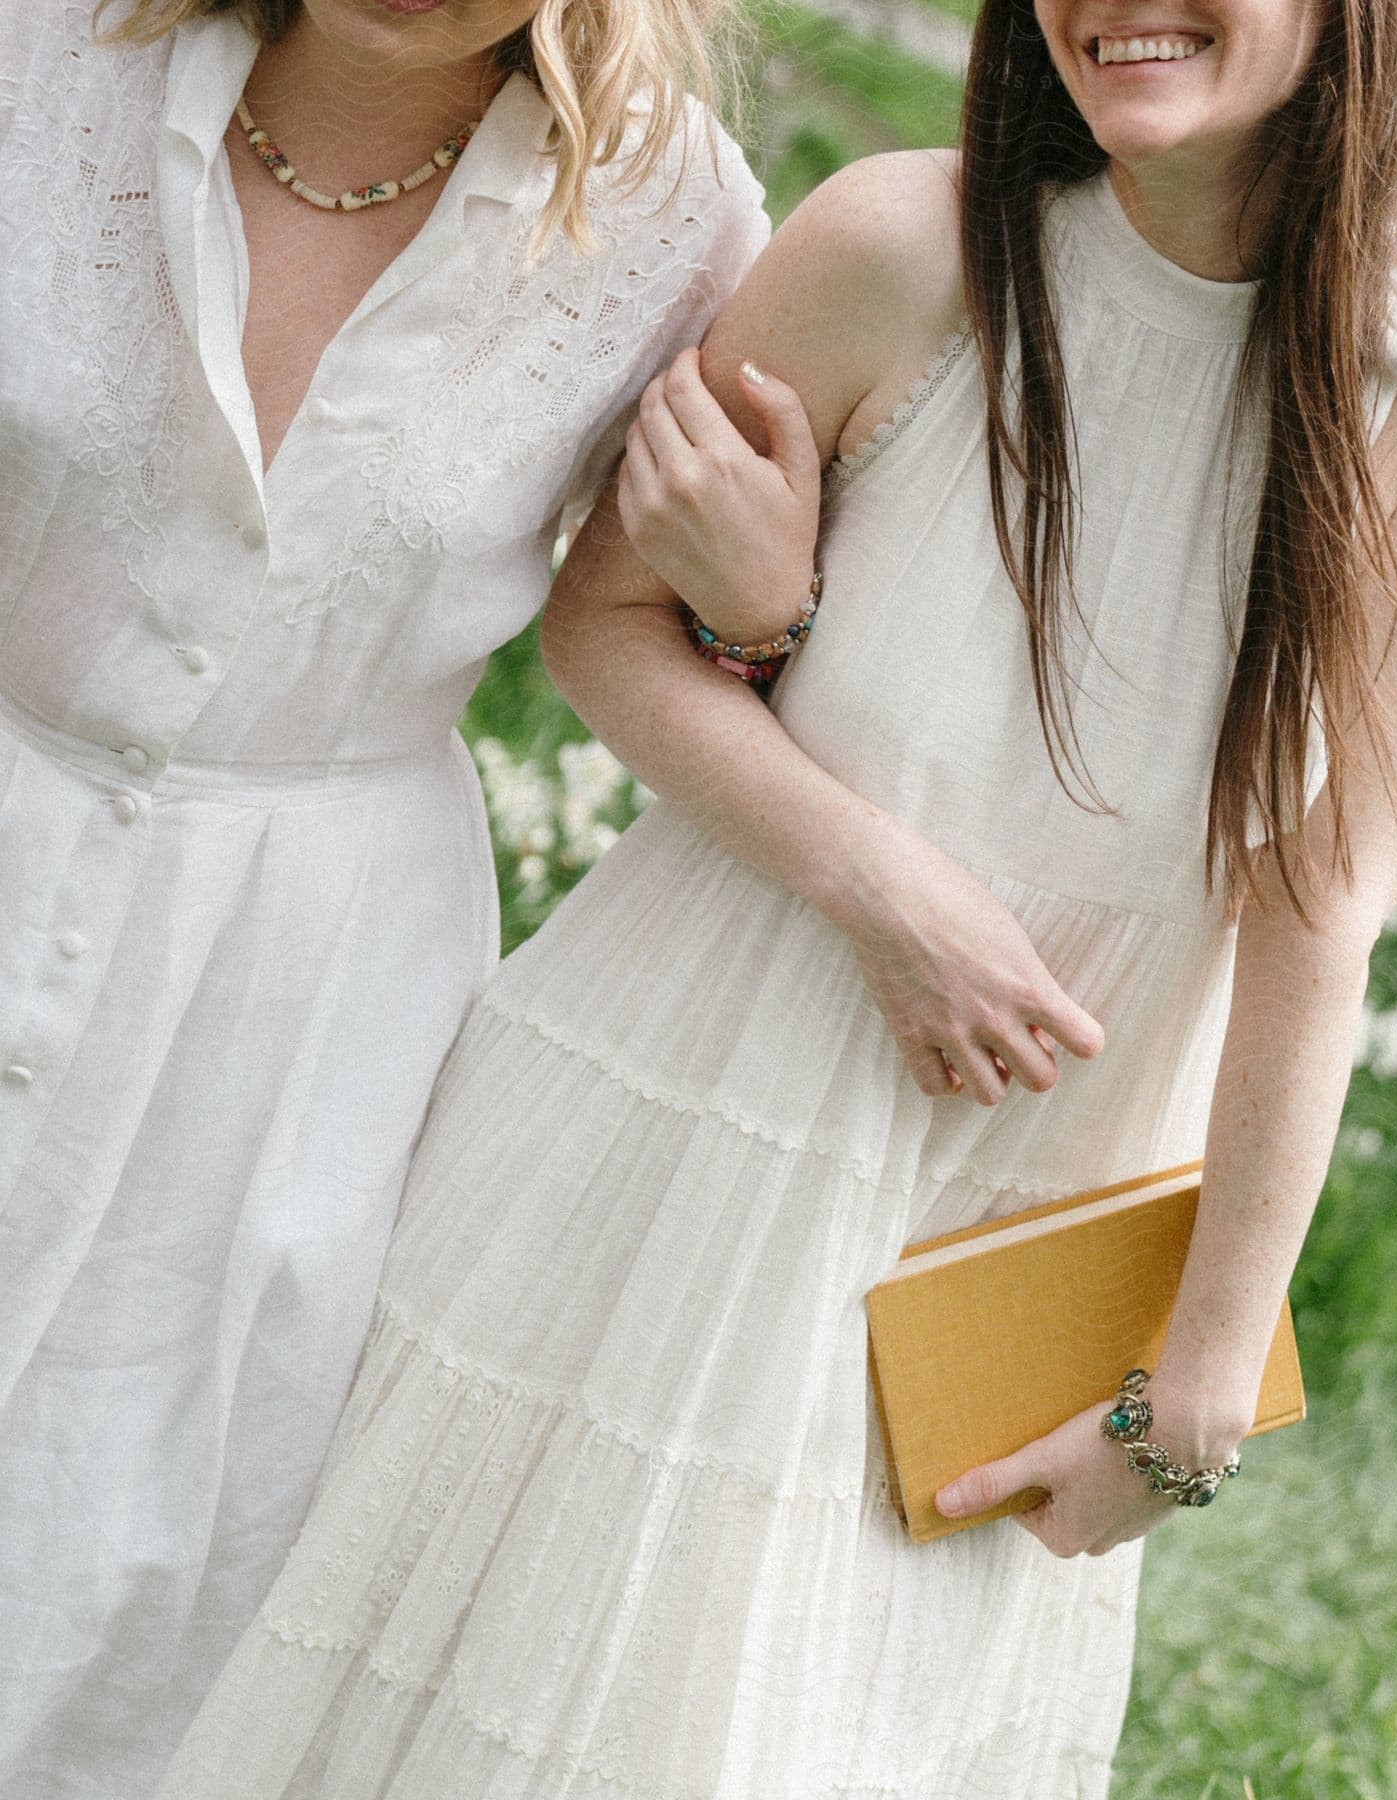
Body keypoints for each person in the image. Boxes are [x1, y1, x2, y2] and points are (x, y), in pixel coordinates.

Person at [158, 0, 1397, 1793]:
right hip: (674, 1106)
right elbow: (606, 628)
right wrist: (887, 892)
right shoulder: (907, 247)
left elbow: (1330, 887)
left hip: (1011, 1204)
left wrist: (1211, 1363)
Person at [0, 0, 767, 1790]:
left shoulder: (681, 224)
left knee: (145, 1542)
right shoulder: (39, 58)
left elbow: (710, 637)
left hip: (308, 972)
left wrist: (764, 594)